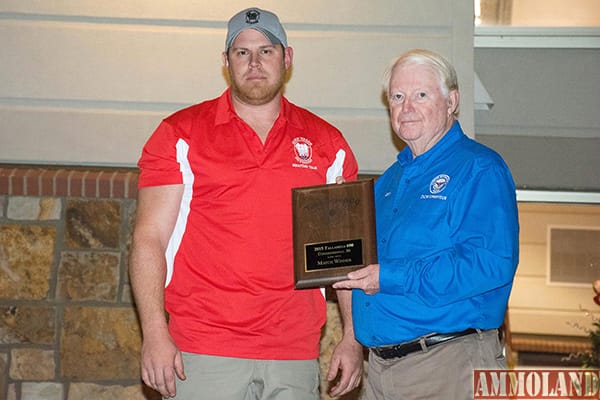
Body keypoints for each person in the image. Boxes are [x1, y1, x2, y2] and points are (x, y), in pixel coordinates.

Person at [129, 7, 364, 400]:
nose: (254, 63)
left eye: (266, 51)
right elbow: (148, 239)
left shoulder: (327, 144)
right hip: (203, 350)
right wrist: (154, 332)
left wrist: (354, 338)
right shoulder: (179, 134)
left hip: (293, 351)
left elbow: (344, 255)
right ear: (226, 62)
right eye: (242, 52)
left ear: (287, 58)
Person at [333, 49, 519, 399]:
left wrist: (390, 276)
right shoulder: (387, 183)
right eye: (397, 97)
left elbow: (489, 264)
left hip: (449, 364)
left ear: (452, 101)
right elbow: (358, 263)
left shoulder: (479, 169)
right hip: (381, 370)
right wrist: (337, 219)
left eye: (421, 95)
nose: (406, 107)